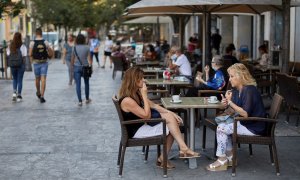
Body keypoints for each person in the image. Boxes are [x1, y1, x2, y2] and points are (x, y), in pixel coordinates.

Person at [118, 67, 200, 169]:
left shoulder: (135, 93)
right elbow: (146, 115)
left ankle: (176, 151)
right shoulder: (127, 100)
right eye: (141, 78)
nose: (144, 80)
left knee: (172, 122)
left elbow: (154, 106)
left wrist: (171, 113)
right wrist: (144, 95)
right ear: (134, 80)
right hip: (136, 131)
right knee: (172, 127)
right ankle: (170, 155)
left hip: (141, 124)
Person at [206, 63, 266, 172]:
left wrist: (230, 102)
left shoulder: (249, 90)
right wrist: (227, 103)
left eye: (232, 76)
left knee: (221, 129)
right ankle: (230, 157)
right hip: (245, 123)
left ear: (241, 76)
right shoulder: (238, 90)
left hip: (254, 126)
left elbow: (245, 113)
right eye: (230, 76)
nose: (229, 79)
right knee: (223, 126)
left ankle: (222, 159)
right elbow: (234, 111)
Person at [29, 28, 53, 103]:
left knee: (37, 79)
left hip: (36, 63)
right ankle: (42, 96)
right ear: (41, 33)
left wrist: (31, 61)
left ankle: (38, 92)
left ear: (36, 34)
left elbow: (30, 54)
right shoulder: (45, 42)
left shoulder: (32, 43)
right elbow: (50, 52)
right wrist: (50, 56)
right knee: (43, 79)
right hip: (44, 62)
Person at [71, 34, 93, 106]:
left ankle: (80, 101)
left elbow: (72, 59)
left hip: (76, 67)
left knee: (78, 85)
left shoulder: (74, 48)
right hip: (85, 67)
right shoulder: (87, 47)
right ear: (84, 40)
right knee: (86, 83)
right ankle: (87, 99)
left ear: (77, 40)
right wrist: (91, 66)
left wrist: (72, 67)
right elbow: (90, 59)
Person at [7, 32, 27, 102]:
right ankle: (19, 95)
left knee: (14, 79)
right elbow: (24, 56)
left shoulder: (10, 45)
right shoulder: (23, 46)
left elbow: (8, 54)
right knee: (20, 80)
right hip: (20, 65)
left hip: (12, 65)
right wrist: (24, 65)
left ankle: (14, 93)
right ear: (20, 37)